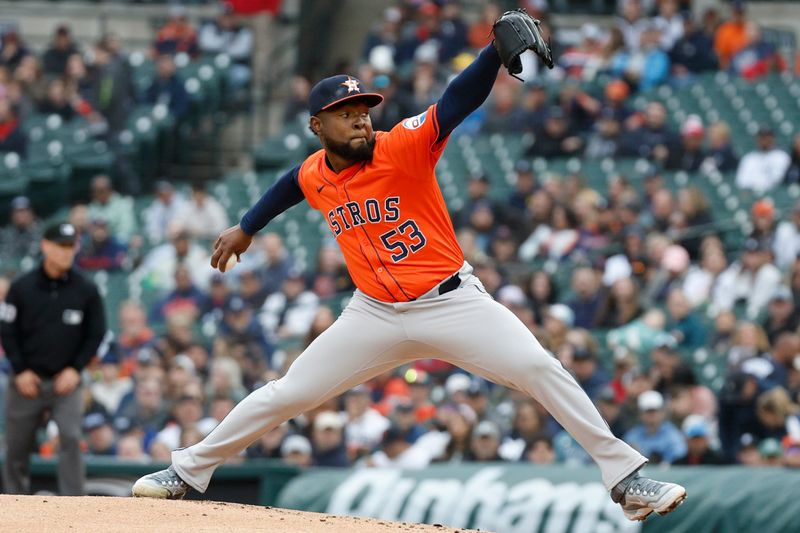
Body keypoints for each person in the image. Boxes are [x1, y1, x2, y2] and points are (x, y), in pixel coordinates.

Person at [132, 38, 686, 522]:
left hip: (451, 301)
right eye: (344, 112)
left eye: (363, 108)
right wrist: (247, 226)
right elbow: (290, 184)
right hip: (373, 313)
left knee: (540, 367)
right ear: (317, 126)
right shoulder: (315, 170)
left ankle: (625, 478)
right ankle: (187, 471)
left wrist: (494, 54)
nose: (360, 118)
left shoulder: (402, 147)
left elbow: (453, 103)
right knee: (289, 393)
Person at [0, 222, 107, 495]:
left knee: (71, 437)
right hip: (27, 380)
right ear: (46, 246)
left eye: (71, 246)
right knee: (17, 446)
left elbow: (96, 333)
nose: (66, 252)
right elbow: (7, 330)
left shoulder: (86, 289)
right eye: (61, 246)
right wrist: (21, 369)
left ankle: (73, 505)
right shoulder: (22, 287)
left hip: (66, 382)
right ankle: (13, 502)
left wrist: (75, 368)